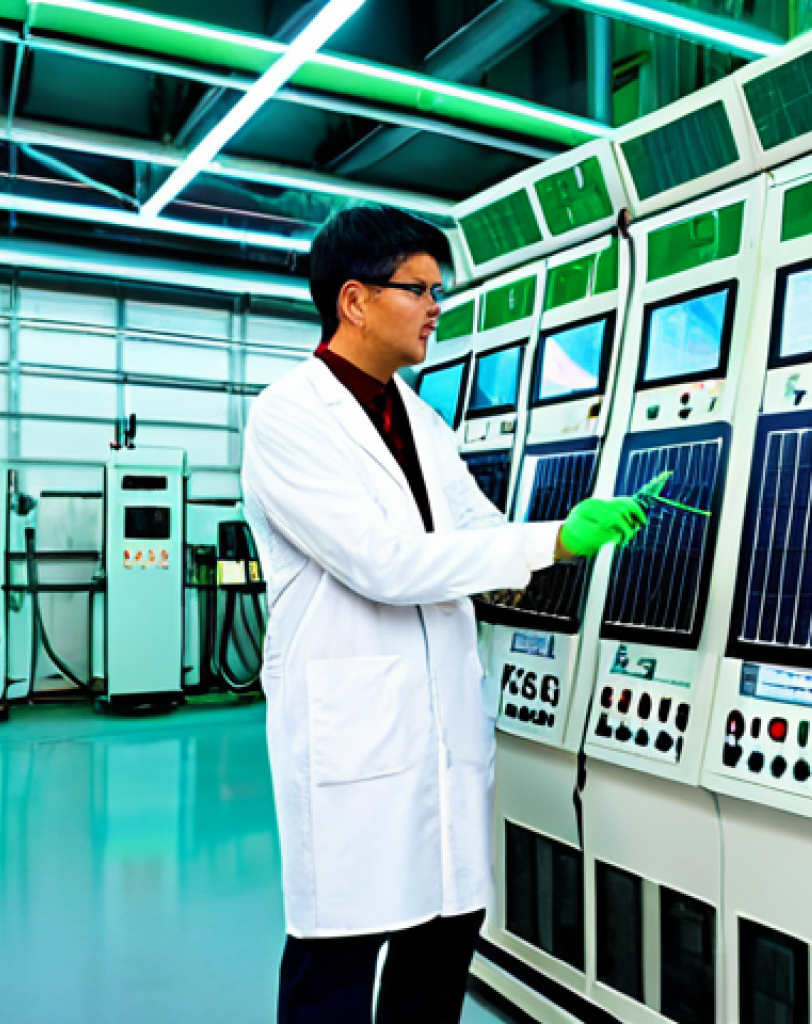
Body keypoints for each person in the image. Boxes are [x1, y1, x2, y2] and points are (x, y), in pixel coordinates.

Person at [241, 206, 645, 1024]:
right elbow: (382, 562)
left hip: (441, 729)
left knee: (444, 938)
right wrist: (549, 540)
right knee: (339, 959)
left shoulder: (420, 419)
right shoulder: (288, 417)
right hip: (353, 733)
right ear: (354, 300)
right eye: (418, 289)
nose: (435, 307)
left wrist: (546, 545)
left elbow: (477, 530)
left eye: (438, 289)